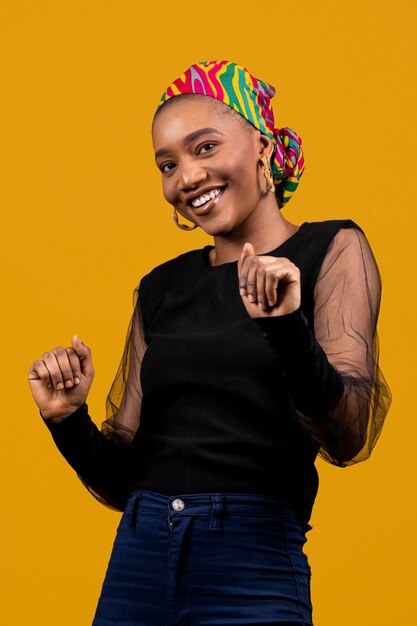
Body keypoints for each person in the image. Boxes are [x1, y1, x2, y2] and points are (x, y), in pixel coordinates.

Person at [28, 60, 392, 626]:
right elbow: (126, 479)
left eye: (205, 148)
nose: (186, 177)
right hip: (138, 563)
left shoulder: (332, 249)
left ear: (262, 148)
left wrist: (285, 327)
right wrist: (67, 419)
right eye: (167, 164)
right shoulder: (161, 287)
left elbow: (348, 434)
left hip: (252, 565)